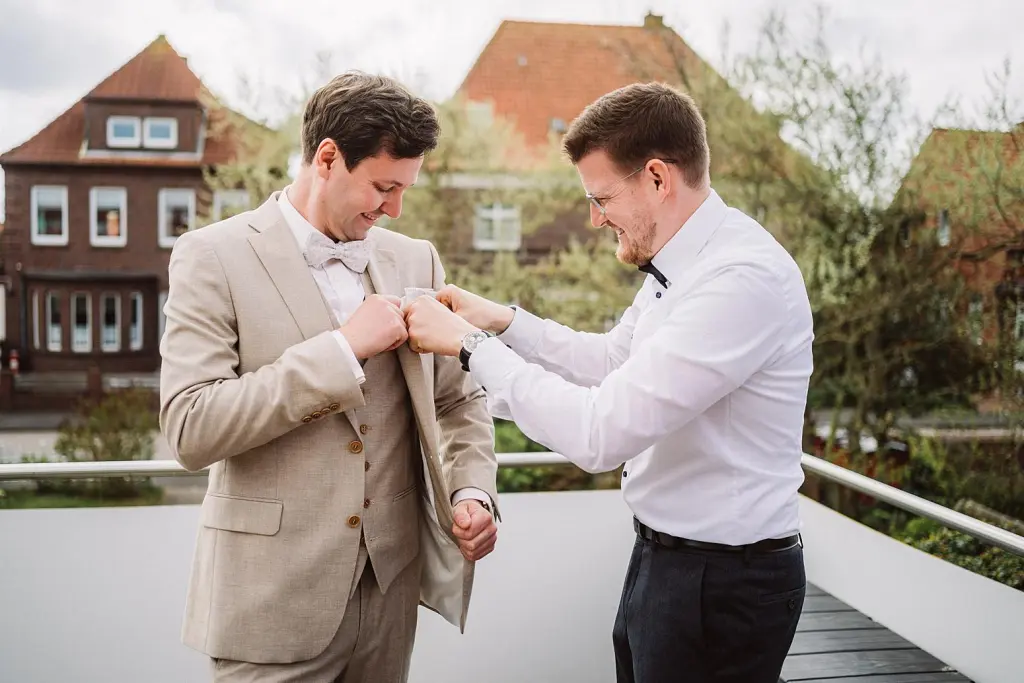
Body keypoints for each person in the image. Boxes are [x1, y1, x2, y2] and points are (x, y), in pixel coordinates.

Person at [404, 81, 814, 683]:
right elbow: (610, 360)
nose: (596, 219)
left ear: (657, 177)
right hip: (666, 561)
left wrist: (469, 348)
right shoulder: (678, 266)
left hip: (723, 584)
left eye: (601, 198)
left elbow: (601, 434)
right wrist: (498, 318)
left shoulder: (740, 280)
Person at [159, 71, 499, 683]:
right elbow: (190, 426)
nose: (394, 208)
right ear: (327, 158)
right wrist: (341, 351)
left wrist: (472, 490)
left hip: (390, 597)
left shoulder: (413, 258)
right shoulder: (212, 256)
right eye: (383, 186)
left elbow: (459, 400)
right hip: (270, 598)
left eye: (404, 190)